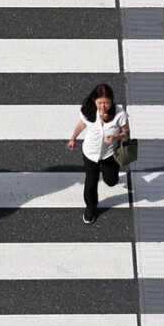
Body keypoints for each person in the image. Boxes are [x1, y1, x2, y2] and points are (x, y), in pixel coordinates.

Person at [67, 84, 129, 224]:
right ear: (94, 100)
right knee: (90, 182)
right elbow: (82, 124)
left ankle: (111, 174)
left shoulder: (119, 114)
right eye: (100, 102)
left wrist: (115, 138)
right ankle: (90, 207)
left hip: (109, 154)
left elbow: (126, 132)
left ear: (111, 101)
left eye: (106, 102)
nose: (103, 106)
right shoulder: (89, 111)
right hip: (90, 153)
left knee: (111, 181)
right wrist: (73, 138)